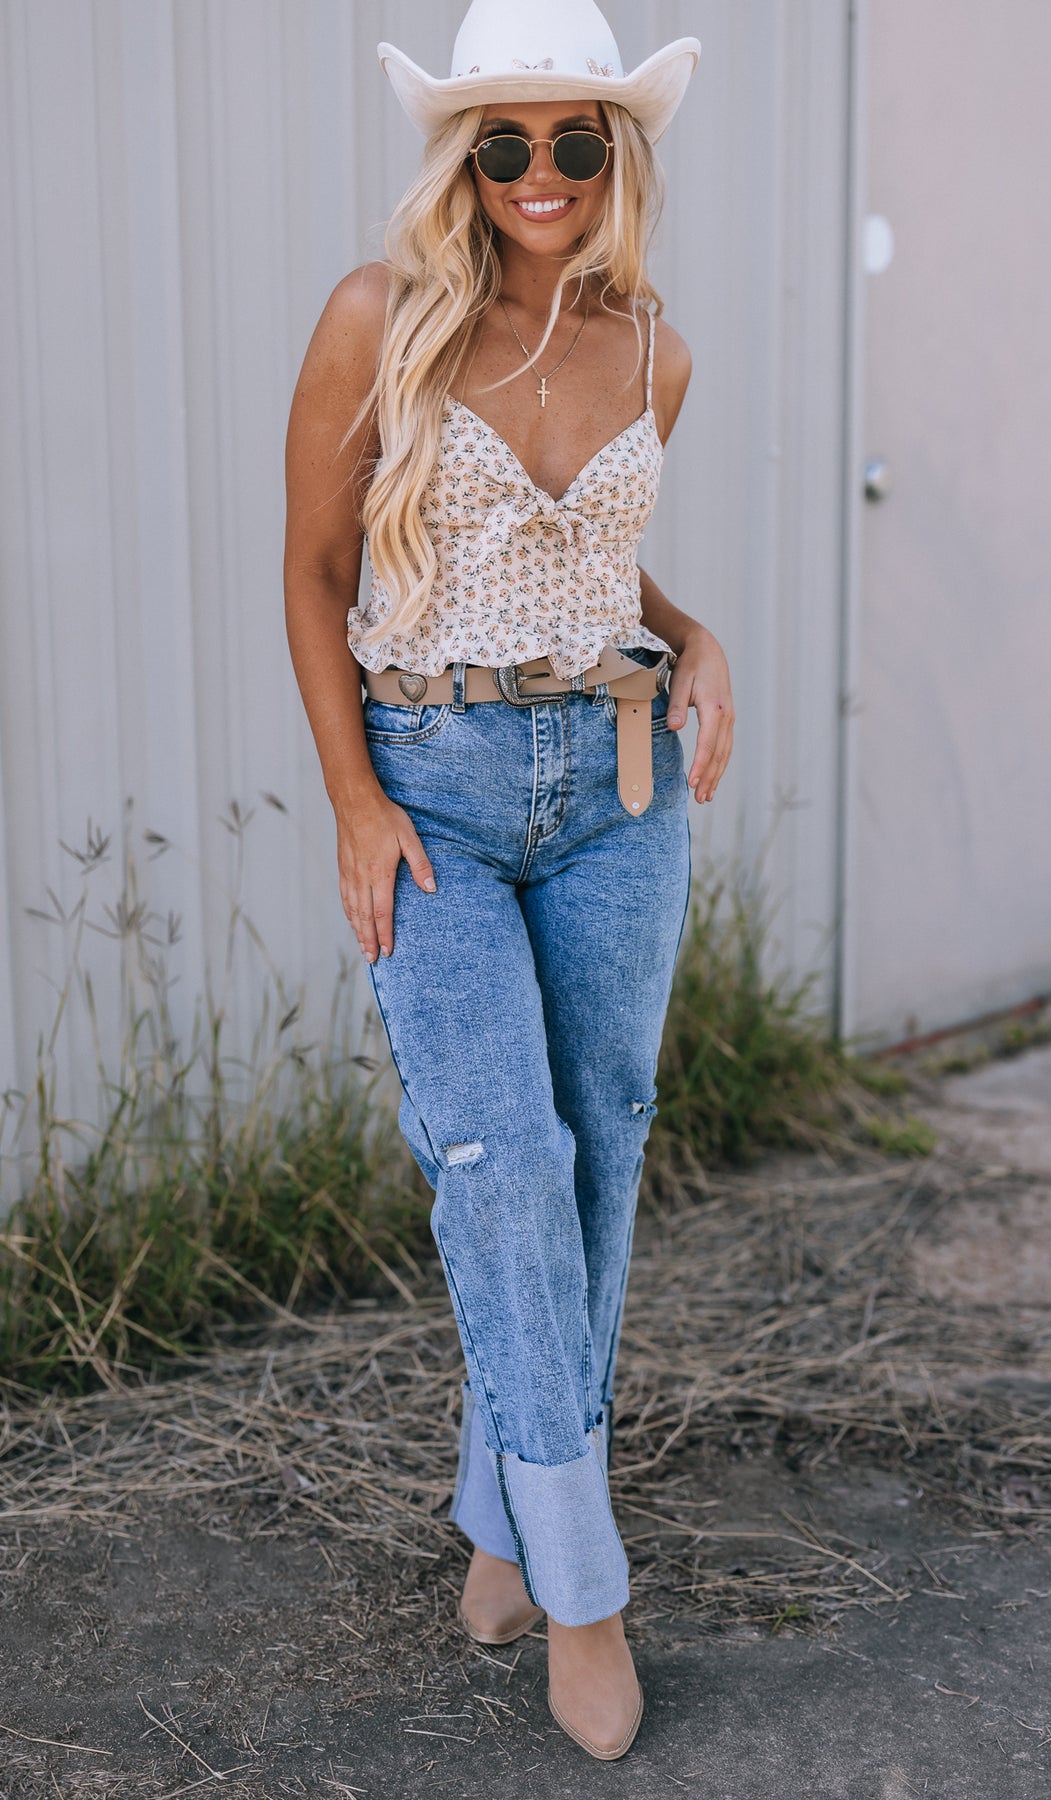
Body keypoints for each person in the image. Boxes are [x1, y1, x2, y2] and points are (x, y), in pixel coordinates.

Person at [284, 0, 733, 1761]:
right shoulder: (376, 317)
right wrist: (352, 798)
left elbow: (588, 564)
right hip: (435, 795)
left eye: (576, 143)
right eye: (505, 144)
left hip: (618, 791)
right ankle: (584, 1590)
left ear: (619, 160)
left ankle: (503, 1522)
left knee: (600, 1152)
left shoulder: (656, 351)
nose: (542, 175)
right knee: (503, 1162)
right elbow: (315, 569)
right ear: (461, 160)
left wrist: (699, 636)